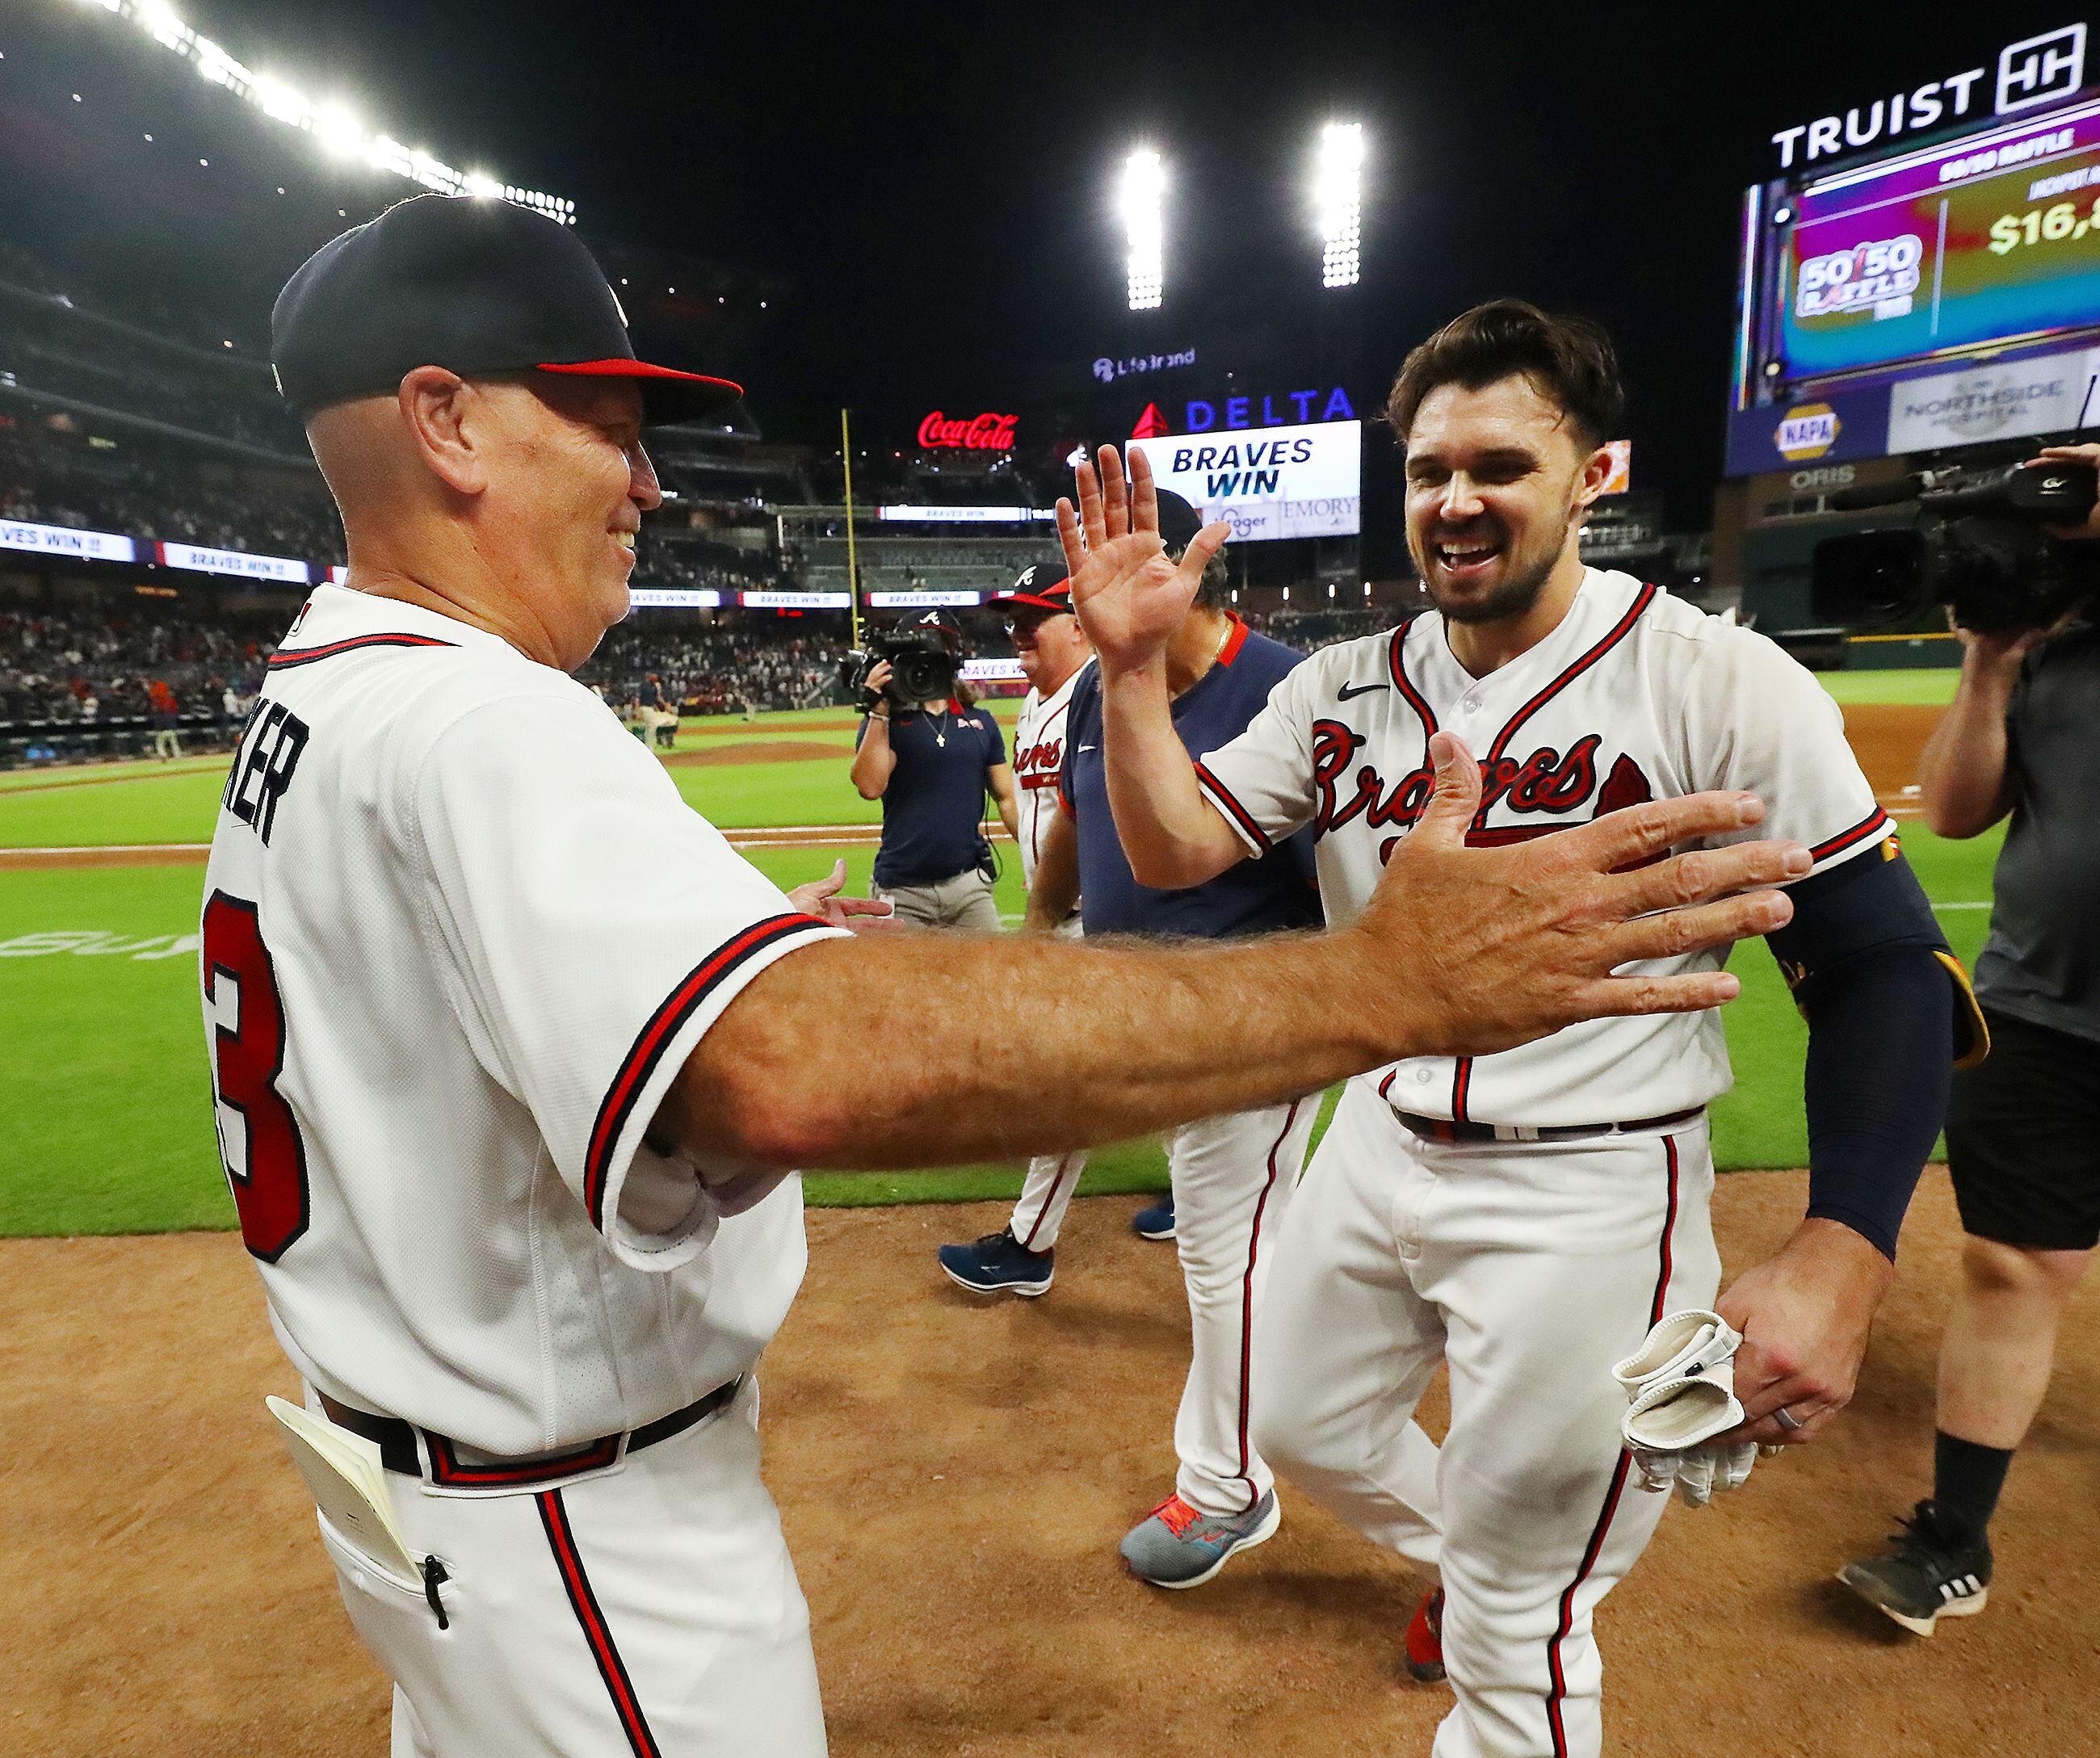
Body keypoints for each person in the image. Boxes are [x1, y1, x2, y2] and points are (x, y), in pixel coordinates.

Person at [210, 198, 1805, 1758]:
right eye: (606, 419)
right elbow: (794, 1069)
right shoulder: (478, 719)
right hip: (571, 1527)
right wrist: (1387, 983)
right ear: (446, 420)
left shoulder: (321, 689)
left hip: (430, 1491)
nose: (645, 474)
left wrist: (759, 959)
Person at [1071, 300, 1976, 1758]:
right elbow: (1177, 847)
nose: (1456, 500)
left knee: (1520, 1628)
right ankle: (1522, 1536)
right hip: (1371, 1137)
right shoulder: (1344, 684)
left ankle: (1522, 1579)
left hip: (1594, 1179)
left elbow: (1883, 969)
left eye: (1501, 463)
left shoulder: (1718, 680)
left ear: (1596, 474)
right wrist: (1126, 672)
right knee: (1294, 1427)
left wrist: (1842, 1253)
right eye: (1429, 470)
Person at [956, 492, 1329, 1588]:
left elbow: (1352, 886)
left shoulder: (1288, 688)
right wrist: (1041, 932)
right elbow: (1076, 820)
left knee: (1226, 1251)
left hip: (1251, 1021)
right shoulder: (1100, 691)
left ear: (1184, 572)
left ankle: (1231, 1487)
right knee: (1254, 1231)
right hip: (1145, 1012)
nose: (1096, 601)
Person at [1838, 444, 2100, 1636]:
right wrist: (1989, 666)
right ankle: (1954, 1537)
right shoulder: (2044, 643)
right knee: (2011, 1265)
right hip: (2045, 1008)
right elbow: (1952, 808)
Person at [936, 559, 1115, 1296]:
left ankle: (1029, 1245)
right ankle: (1194, 1180)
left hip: (1098, 924)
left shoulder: (1105, 692)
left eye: (1032, 619)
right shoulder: (1035, 705)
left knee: (1066, 1088)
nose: (1016, 633)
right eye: (1011, 620)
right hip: (1058, 920)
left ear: (1079, 624)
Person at [847, 609, 1019, 930]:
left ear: (953, 658)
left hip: (969, 886)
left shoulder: (981, 721)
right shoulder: (887, 723)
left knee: (991, 978)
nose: (928, 658)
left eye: (939, 648)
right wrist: (879, 710)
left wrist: (1036, 857)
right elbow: (870, 786)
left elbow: (1006, 797)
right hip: (903, 889)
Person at [149, 678, 181, 759]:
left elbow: (155, 710)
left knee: (160, 743)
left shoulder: (158, 701)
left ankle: (163, 755)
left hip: (162, 727)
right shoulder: (171, 700)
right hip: (171, 725)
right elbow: (176, 711)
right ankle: (177, 756)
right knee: (174, 742)